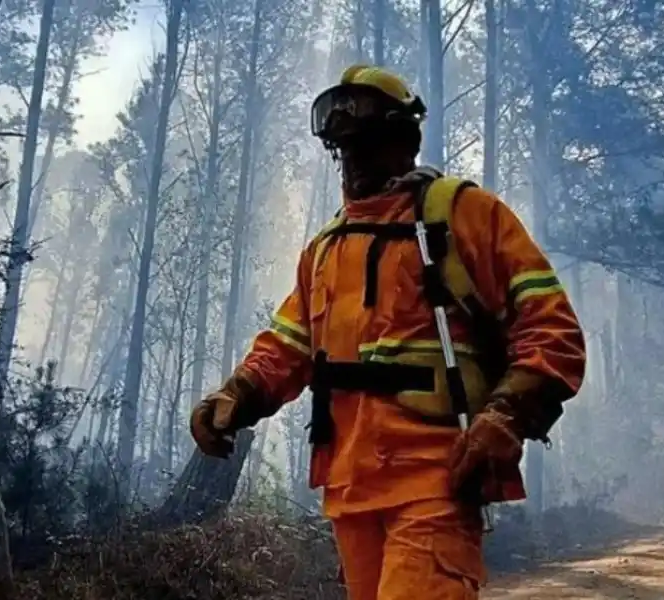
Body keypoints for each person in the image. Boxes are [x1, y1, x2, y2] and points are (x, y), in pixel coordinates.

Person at [190, 65, 586, 600]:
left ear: (406, 141)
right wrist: (236, 394)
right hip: (350, 492)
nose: (354, 160)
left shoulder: (463, 215)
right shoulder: (325, 250)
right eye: (344, 148)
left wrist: (506, 415)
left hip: (437, 480)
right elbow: (287, 346)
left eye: (368, 143)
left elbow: (552, 329)